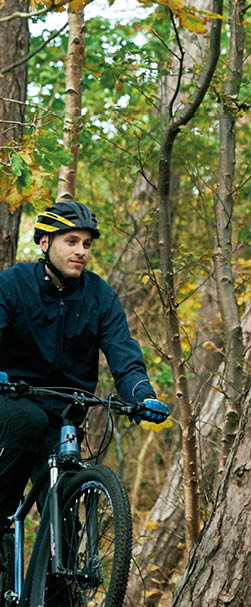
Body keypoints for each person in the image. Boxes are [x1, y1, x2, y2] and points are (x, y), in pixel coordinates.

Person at [0, 198, 169, 536]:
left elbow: (123, 353)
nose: (81, 251)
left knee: (64, 518)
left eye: (87, 244)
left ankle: (60, 583)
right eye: (71, 241)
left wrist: (141, 394)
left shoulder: (100, 296)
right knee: (28, 421)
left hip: (65, 413)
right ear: (45, 243)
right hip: (14, 398)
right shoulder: (14, 283)